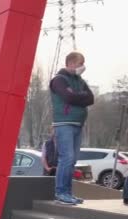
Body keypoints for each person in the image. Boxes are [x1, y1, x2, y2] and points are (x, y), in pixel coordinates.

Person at [50, 51, 94, 205]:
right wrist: (80, 96)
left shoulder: (80, 81)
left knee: (72, 160)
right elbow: (68, 97)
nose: (82, 66)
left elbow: (91, 98)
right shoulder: (59, 80)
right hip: (64, 123)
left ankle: (67, 193)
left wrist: (78, 95)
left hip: (78, 124)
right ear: (71, 63)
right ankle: (61, 192)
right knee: (66, 158)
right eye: (80, 63)